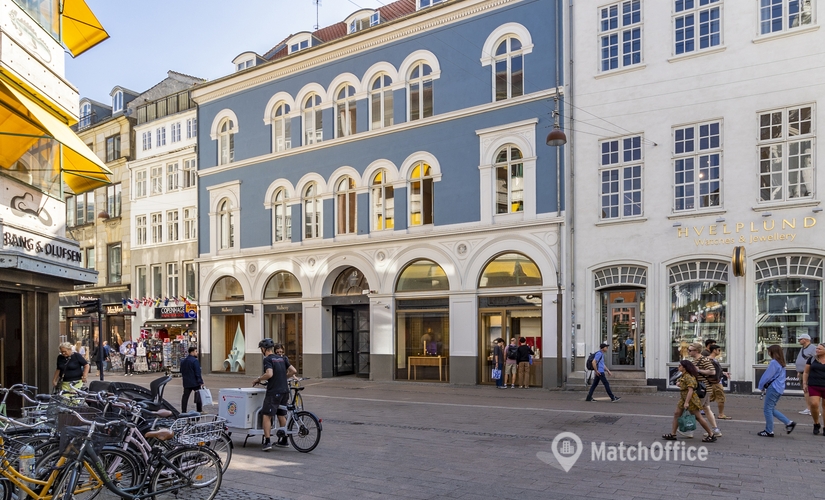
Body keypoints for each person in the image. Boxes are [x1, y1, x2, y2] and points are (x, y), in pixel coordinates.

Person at [253, 338, 297, 451]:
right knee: (281, 414)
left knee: (266, 415)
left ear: (263, 349)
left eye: (261, 349)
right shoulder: (282, 358)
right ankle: (284, 440)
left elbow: (269, 374)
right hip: (285, 391)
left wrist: (258, 379)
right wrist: (283, 377)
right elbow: (293, 371)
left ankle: (267, 442)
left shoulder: (268, 359)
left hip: (274, 391)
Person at [662, 360, 716, 442]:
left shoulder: (689, 376)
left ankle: (711, 434)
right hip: (683, 398)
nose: (678, 367)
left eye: (680, 365)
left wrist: (686, 402)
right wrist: (679, 383)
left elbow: (690, 390)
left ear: (685, 367)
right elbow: (680, 382)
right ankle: (673, 434)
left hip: (691, 399)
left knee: (698, 417)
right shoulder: (684, 375)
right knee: (677, 414)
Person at [757, 344, 796, 437]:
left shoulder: (774, 363)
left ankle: (769, 431)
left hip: (773, 387)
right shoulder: (782, 362)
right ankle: (788, 422)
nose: (768, 353)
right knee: (771, 408)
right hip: (779, 388)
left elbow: (767, 376)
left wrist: (761, 386)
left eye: (769, 351)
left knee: (767, 410)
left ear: (772, 352)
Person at [688, 343, 721, 437]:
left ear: (697, 351)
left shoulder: (703, 360)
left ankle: (689, 429)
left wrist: (699, 370)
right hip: (703, 388)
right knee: (706, 408)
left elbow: (712, 371)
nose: (688, 352)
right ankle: (716, 430)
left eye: (690, 350)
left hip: (702, 389)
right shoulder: (695, 360)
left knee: (694, 409)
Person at [801, 342, 825, 435]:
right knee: (814, 404)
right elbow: (806, 372)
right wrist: (804, 383)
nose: (817, 350)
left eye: (819, 349)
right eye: (817, 349)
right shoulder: (812, 359)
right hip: (814, 385)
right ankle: (816, 423)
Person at [707, 345, 731, 419]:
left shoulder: (714, 360)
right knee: (721, 398)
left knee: (709, 398)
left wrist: (724, 373)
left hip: (714, 381)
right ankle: (721, 414)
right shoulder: (710, 360)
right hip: (715, 382)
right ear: (714, 350)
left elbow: (717, 370)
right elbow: (710, 371)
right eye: (719, 350)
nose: (719, 352)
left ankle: (695, 409)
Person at [180, 346, 204, 413]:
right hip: (195, 382)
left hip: (186, 382)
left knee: (185, 397)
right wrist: (200, 381)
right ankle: (199, 410)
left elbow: (181, 371)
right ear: (192, 352)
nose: (197, 353)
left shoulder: (183, 361)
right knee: (198, 395)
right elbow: (197, 372)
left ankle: (183, 411)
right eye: (196, 351)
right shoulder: (195, 361)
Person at [796, 333, 816, 415]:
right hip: (802, 373)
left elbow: (816, 360)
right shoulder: (802, 348)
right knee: (805, 391)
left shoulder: (813, 348)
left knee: (810, 391)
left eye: (800, 339)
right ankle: (808, 408)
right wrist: (799, 371)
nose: (799, 341)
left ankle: (813, 409)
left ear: (806, 340)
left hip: (809, 373)